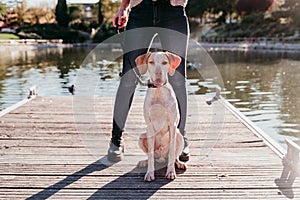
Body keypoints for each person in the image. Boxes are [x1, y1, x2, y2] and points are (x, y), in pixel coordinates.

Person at [107, 0, 190, 162]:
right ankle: (116, 140)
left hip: (173, 10)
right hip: (140, 10)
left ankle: (181, 138)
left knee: (178, 79)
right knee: (128, 79)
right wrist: (123, 8)